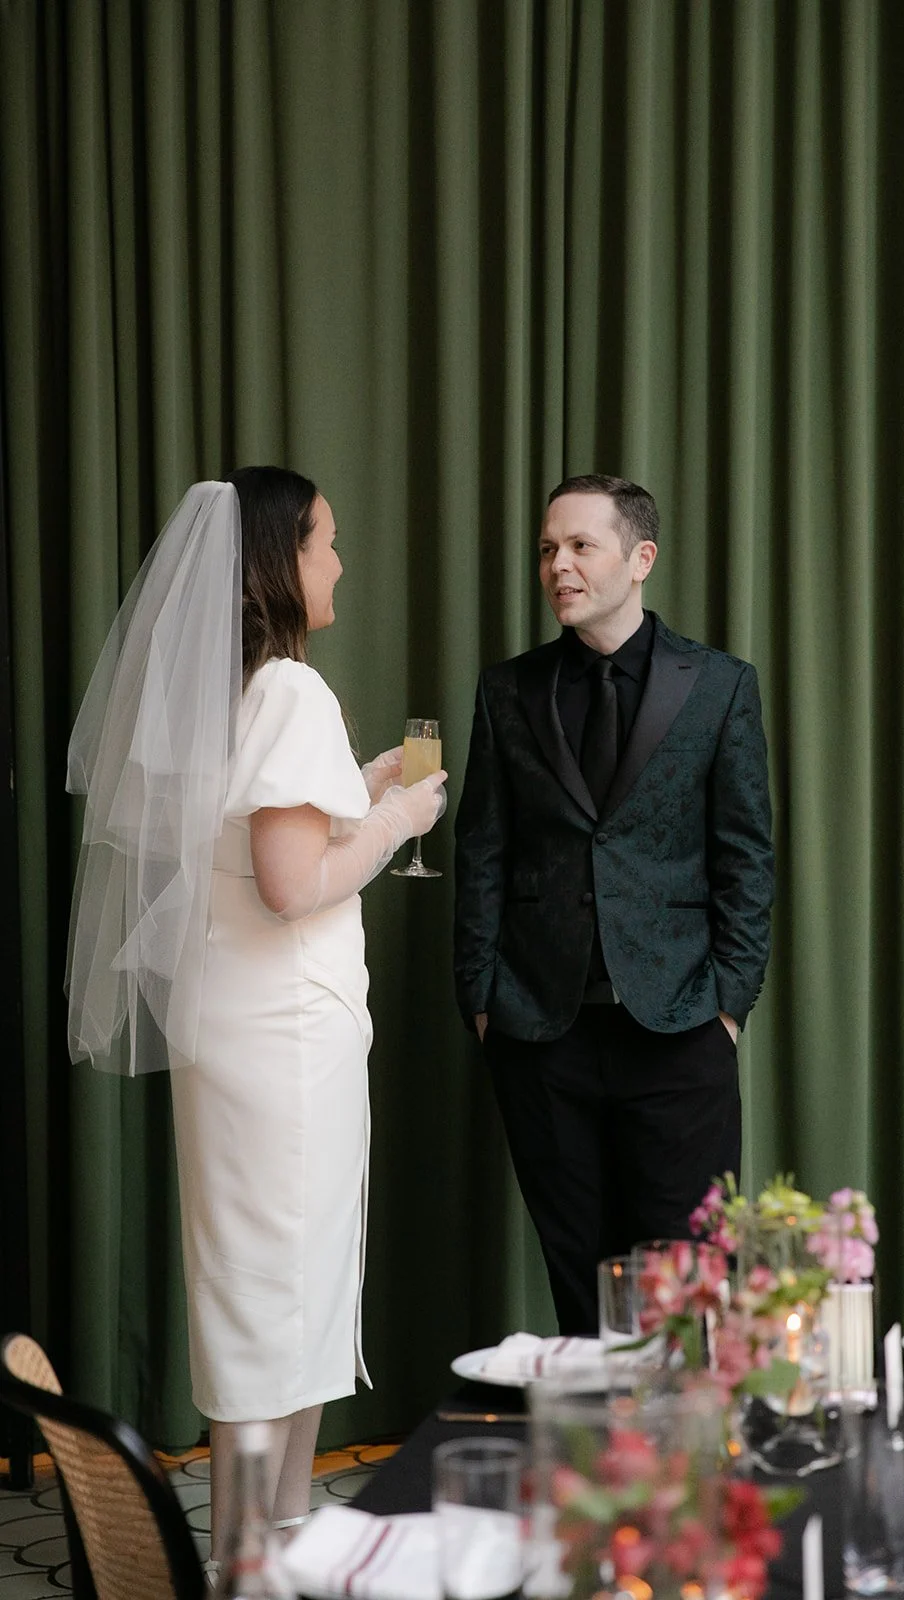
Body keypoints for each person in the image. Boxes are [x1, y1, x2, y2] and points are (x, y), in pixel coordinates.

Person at [66, 468, 445, 1565]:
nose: (338, 565)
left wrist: (361, 791)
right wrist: (400, 818)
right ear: (282, 561)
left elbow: (252, 841)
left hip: (244, 1029)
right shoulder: (288, 688)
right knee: (276, 1288)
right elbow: (290, 881)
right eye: (325, 544)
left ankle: (270, 1540)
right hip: (281, 1041)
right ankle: (252, 1550)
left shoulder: (233, 690)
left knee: (272, 1285)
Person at [453, 474, 773, 1336]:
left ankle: (687, 1469)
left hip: (679, 1031)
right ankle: (599, 1468)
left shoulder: (719, 686)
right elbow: (481, 851)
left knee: (687, 1292)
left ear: (641, 560)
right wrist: (481, 999)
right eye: (549, 549)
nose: (559, 566)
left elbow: (747, 858)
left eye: (580, 546)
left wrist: (729, 1007)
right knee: (581, 1292)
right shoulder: (507, 691)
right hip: (539, 1034)